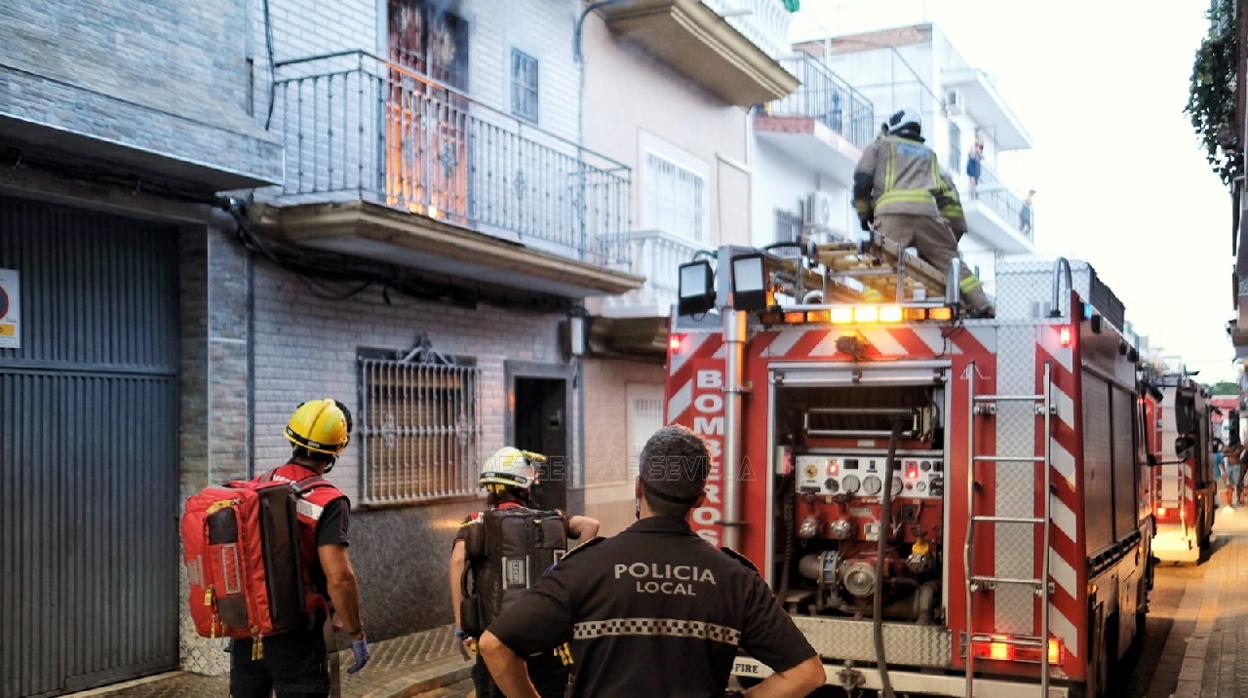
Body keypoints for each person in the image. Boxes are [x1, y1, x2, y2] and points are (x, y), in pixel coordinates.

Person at [479, 425, 825, 698]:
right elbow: (807, 673)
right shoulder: (736, 579)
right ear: (701, 499)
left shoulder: (585, 568)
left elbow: (494, 645)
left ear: (638, 487)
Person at [231, 399, 370, 697]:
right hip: (297, 635)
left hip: (249, 631)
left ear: (291, 438)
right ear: (336, 450)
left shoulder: (258, 484)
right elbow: (340, 578)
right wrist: (356, 632)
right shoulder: (329, 501)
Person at [451, 447, 600, 698]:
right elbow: (590, 525)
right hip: (549, 646)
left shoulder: (476, 521)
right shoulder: (552, 518)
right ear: (525, 486)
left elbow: (458, 562)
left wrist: (460, 623)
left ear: (492, 488)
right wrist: (574, 567)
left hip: (497, 643)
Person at [853, 108, 994, 317]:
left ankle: (871, 314)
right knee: (952, 264)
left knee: (880, 265)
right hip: (928, 216)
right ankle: (984, 307)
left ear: (894, 125)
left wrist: (864, 215)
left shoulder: (880, 145)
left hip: (892, 216)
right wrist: (950, 232)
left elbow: (862, 181)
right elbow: (947, 195)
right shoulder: (929, 155)